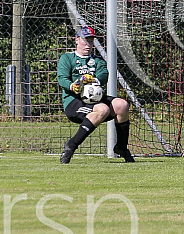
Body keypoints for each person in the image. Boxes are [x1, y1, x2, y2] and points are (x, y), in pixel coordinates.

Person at [57, 26, 134, 164]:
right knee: (102, 109)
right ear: (77, 40)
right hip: (74, 101)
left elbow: (104, 75)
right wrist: (73, 85)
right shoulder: (67, 58)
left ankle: (121, 148)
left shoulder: (97, 60)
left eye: (91, 40)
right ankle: (72, 145)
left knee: (122, 105)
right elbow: (62, 78)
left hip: (95, 98)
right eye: (85, 40)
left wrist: (93, 79)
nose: (88, 44)